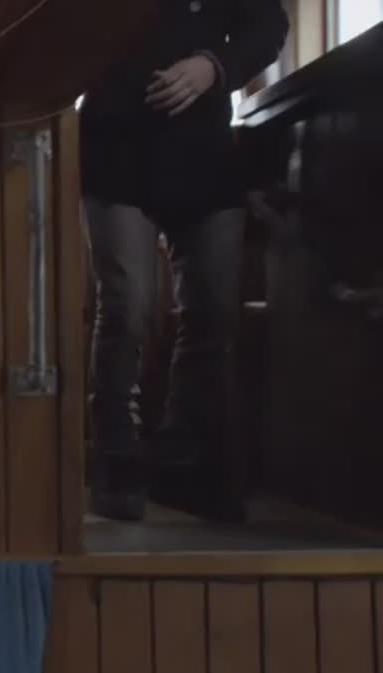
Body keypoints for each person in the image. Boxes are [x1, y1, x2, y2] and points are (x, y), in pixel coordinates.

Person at [80, 0, 288, 521]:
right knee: (127, 308)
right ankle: (115, 459)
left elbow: (268, 24)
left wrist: (213, 67)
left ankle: (183, 463)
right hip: (115, 151)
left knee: (213, 316)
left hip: (205, 153)